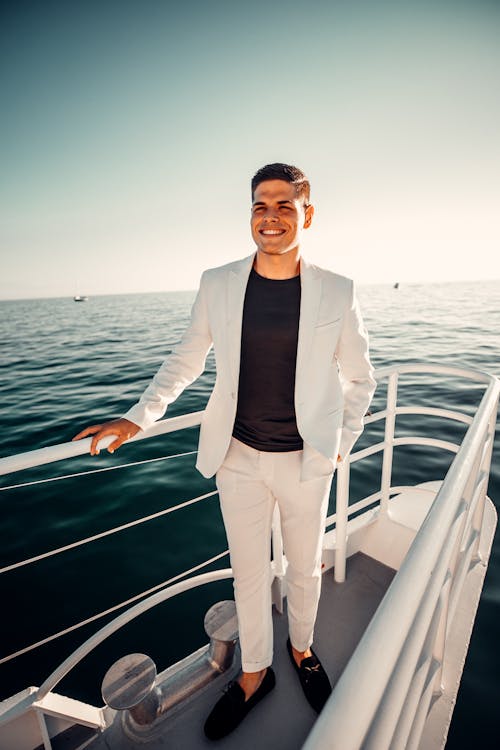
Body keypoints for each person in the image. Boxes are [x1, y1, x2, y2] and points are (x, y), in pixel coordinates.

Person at [73, 163, 376, 740]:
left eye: (285, 205)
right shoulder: (218, 282)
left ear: (306, 215)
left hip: (307, 462)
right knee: (247, 574)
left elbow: (362, 380)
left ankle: (304, 651)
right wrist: (140, 416)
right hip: (236, 458)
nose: (271, 216)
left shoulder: (339, 290)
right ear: (251, 215)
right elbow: (186, 359)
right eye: (261, 205)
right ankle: (255, 673)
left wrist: (343, 443)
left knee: (304, 569)